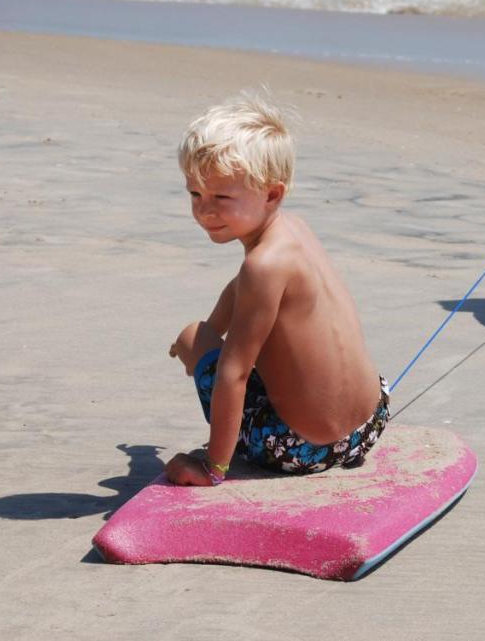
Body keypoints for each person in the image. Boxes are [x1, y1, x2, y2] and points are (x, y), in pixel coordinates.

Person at [163, 93, 389, 486]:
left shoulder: (261, 266)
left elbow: (233, 374)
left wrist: (213, 468)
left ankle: (217, 460)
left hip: (300, 450)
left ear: (272, 194)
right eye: (195, 194)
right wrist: (214, 327)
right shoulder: (293, 230)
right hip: (370, 423)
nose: (204, 210)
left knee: (191, 337)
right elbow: (240, 290)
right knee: (205, 335)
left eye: (221, 197)